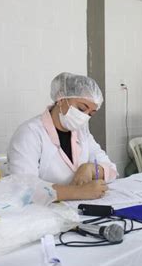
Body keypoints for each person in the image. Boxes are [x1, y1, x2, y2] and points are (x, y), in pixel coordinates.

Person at [8, 72, 118, 202]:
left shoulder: (81, 132)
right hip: (41, 213)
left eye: (91, 114)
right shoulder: (29, 133)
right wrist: (78, 192)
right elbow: (24, 189)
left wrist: (90, 169)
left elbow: (112, 170)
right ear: (61, 99)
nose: (85, 117)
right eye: (82, 109)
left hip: (75, 209)